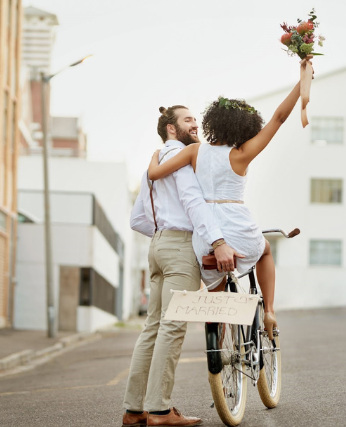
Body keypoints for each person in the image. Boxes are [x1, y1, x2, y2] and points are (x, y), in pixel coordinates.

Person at [147, 57, 312, 336]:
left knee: (217, 297)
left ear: (214, 123)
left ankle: (219, 354)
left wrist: (154, 157)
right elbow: (279, 118)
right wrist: (302, 82)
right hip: (237, 224)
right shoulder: (242, 154)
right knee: (265, 251)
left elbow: (155, 174)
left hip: (206, 234)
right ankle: (269, 311)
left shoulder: (194, 151)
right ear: (244, 128)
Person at [121, 105, 241, 427]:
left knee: (153, 327)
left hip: (157, 246)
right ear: (171, 128)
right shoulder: (182, 158)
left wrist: (163, 234)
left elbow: (137, 220)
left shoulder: (156, 162)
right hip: (177, 248)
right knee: (172, 327)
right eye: (188, 119)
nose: (195, 124)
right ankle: (160, 411)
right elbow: (192, 202)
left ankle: (135, 411)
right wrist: (217, 242)